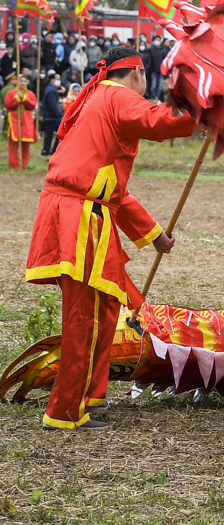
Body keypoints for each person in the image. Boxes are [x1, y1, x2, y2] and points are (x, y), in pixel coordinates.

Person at [23, 48, 196, 429]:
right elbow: (159, 121)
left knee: (104, 310)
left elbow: (115, 191)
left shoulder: (98, 97)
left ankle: (91, 396)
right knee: (83, 316)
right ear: (136, 72)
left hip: (87, 212)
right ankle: (64, 410)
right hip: (79, 216)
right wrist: (204, 107)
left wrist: (153, 236)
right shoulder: (117, 96)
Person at [6, 70, 38, 170]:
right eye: (21, 81)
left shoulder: (31, 94)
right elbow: (8, 105)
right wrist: (16, 98)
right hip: (14, 120)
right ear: (17, 82)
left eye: (25, 81)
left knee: (25, 146)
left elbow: (32, 105)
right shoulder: (11, 93)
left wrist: (24, 98)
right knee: (13, 146)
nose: (23, 83)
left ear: (27, 82)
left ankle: (24, 165)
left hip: (26, 121)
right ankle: (14, 166)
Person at [38, 73, 63, 156]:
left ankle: (47, 150)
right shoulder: (52, 90)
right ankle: (49, 151)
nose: (59, 81)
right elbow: (53, 105)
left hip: (50, 116)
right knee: (53, 134)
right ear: (52, 79)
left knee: (49, 134)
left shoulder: (50, 89)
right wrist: (60, 114)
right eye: (57, 79)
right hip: (52, 116)